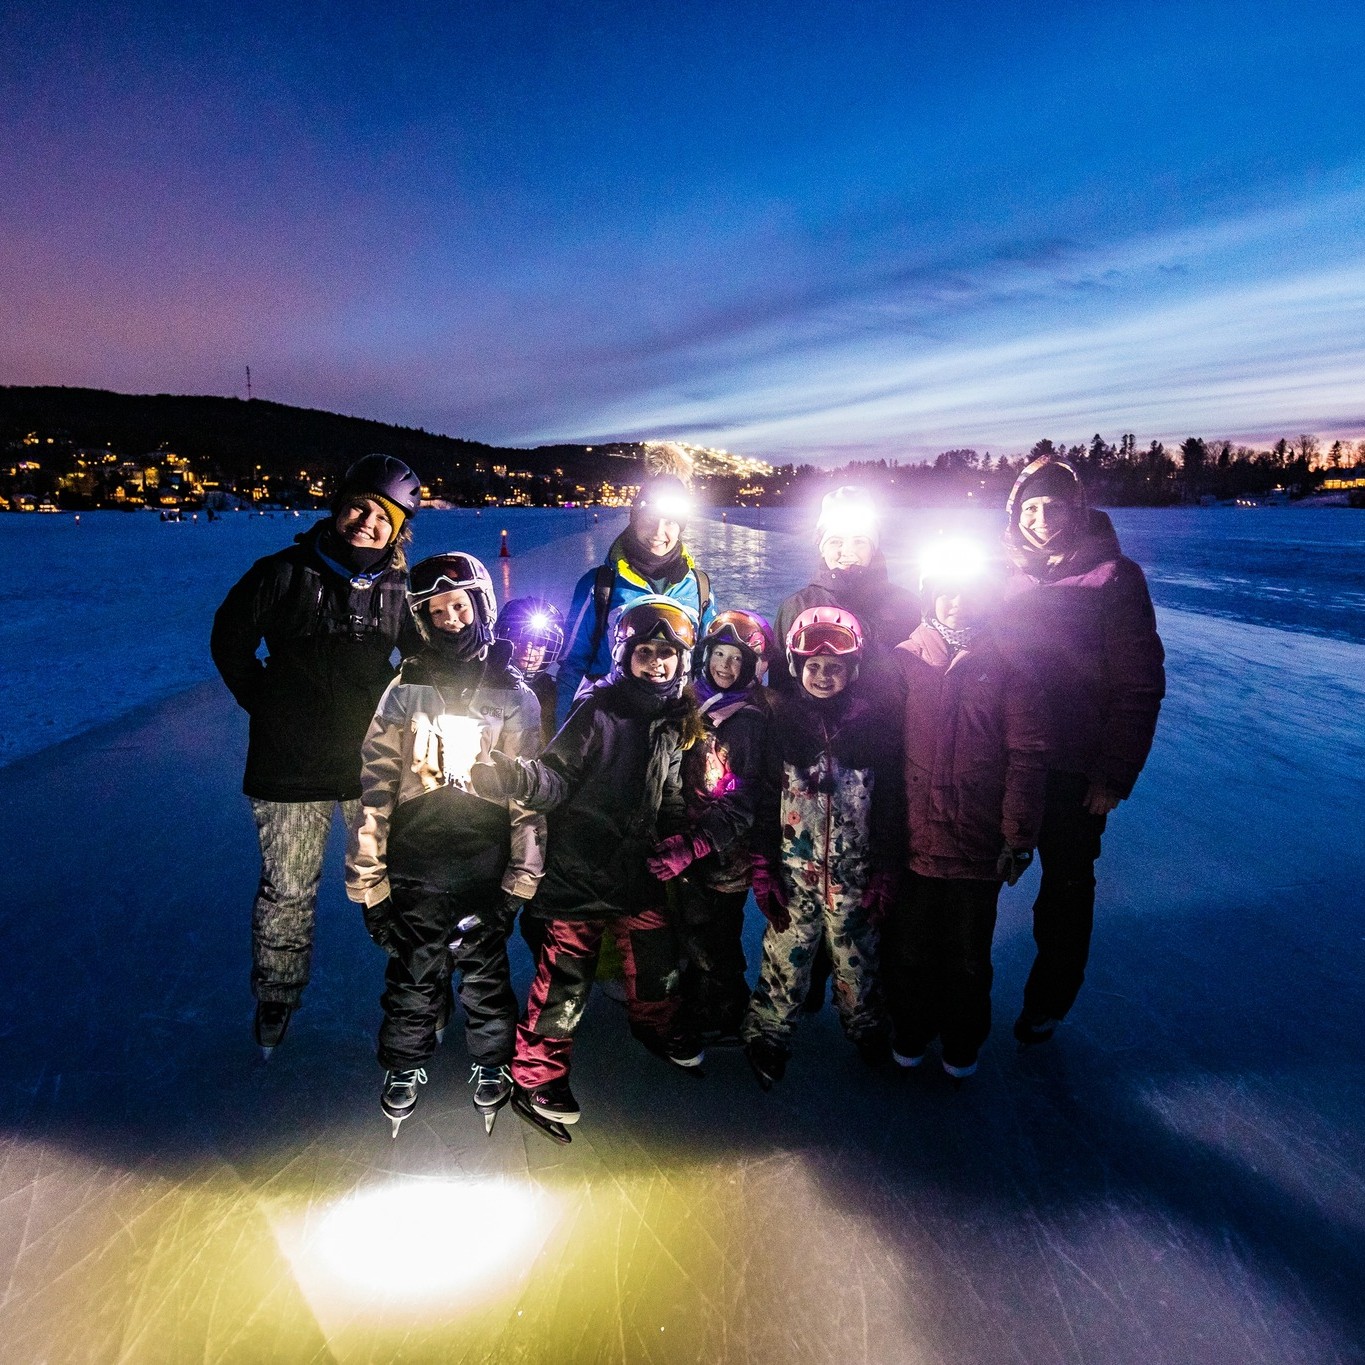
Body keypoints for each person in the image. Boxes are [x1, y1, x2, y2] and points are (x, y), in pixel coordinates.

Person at [468, 597, 705, 1142]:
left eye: (666, 654)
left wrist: (677, 844)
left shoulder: (674, 719)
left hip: (637, 868)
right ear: (624, 656)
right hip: (580, 869)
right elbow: (555, 777)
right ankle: (535, 1076)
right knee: (565, 981)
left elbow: (667, 795)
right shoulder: (599, 710)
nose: (656, 663)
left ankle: (656, 1025)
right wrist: (515, 778)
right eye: (645, 653)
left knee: (655, 960)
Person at [211, 454, 421, 1054]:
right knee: (288, 888)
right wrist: (268, 703)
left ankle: (415, 989)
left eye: (383, 515)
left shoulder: (402, 589)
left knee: (391, 880)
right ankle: (276, 995)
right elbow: (229, 641)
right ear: (337, 506)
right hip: (289, 768)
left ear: (399, 528)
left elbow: (423, 661)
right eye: (357, 506)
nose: (365, 522)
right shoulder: (282, 572)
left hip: (369, 766)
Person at [345, 553, 545, 1136]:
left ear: (480, 608)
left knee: (484, 971)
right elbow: (376, 783)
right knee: (414, 970)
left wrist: (518, 883)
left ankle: (491, 1061)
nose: (451, 619)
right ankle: (404, 1065)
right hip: (418, 860)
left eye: (460, 606)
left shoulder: (513, 694)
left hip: (483, 860)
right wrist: (372, 885)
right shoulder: (405, 690)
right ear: (423, 621)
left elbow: (527, 796)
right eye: (437, 611)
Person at [995, 456, 1166, 1045]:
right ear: (1015, 514)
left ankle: (1048, 1001)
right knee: (972, 878)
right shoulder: (998, 573)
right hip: (1005, 762)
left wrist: (1113, 776)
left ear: (1077, 509)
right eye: (1031, 509)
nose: (1042, 520)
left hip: (1074, 769)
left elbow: (1139, 685)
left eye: (1054, 507)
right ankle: (947, 989)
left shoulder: (1114, 578)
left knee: (1065, 891)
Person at [883, 541, 1049, 1079]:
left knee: (968, 955)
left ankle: (961, 1039)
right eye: (946, 592)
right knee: (909, 948)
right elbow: (882, 748)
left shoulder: (1008, 665)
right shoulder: (905, 659)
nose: (956, 602)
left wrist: (1017, 835)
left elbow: (1026, 754)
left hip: (976, 844)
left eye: (969, 593)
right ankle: (909, 1028)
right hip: (912, 838)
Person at [741, 606, 902, 1089]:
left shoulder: (873, 726)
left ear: (853, 670)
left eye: (835, 667)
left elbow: (892, 802)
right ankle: (770, 1030)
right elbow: (767, 795)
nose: (823, 675)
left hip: (854, 873)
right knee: (786, 954)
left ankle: (865, 1025)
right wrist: (763, 863)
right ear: (795, 667)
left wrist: (887, 869)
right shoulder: (782, 722)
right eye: (813, 666)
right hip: (796, 872)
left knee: (858, 957)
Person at [772, 485, 918, 1011]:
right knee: (809, 886)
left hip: (880, 754)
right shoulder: (798, 606)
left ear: (875, 545)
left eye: (858, 540)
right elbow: (781, 690)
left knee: (865, 887)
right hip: (812, 765)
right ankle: (806, 981)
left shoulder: (902, 605)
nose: (845, 551)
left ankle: (866, 997)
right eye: (834, 540)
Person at [648, 609, 777, 1046]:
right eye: (719, 654)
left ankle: (726, 1007)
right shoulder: (690, 704)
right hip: (685, 847)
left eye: (736, 659)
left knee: (715, 938)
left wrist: (696, 843)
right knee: (688, 930)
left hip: (723, 857)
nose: (724, 665)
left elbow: (744, 801)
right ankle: (697, 998)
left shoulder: (748, 723)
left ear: (752, 667)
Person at [557, 450, 717, 723]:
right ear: (634, 519)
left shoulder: (698, 588)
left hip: (673, 728)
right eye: (650, 519)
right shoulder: (600, 585)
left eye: (670, 523)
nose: (658, 532)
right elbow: (573, 666)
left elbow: (707, 666)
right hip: (610, 725)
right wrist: (564, 740)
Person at [496, 596, 565, 749]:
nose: (527, 650)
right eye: (520, 639)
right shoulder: (484, 686)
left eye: (539, 643)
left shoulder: (558, 696)